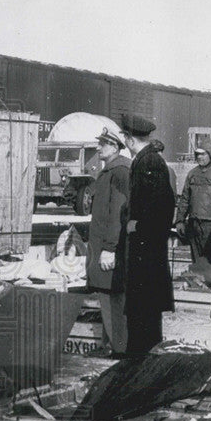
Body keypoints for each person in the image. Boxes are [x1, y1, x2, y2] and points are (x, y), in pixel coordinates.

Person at [119, 113, 176, 354]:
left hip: (147, 251)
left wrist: (137, 226)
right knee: (143, 309)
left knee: (144, 312)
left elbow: (161, 207)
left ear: (130, 139)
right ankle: (141, 358)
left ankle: (142, 361)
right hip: (146, 251)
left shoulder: (148, 163)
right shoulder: (147, 161)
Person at [84, 127, 132, 356]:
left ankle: (119, 350)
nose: (98, 147)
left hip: (109, 248)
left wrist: (109, 249)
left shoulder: (119, 171)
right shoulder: (112, 169)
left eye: (102, 144)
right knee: (108, 299)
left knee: (112, 299)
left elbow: (117, 214)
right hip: (105, 246)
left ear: (115, 147)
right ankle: (110, 346)